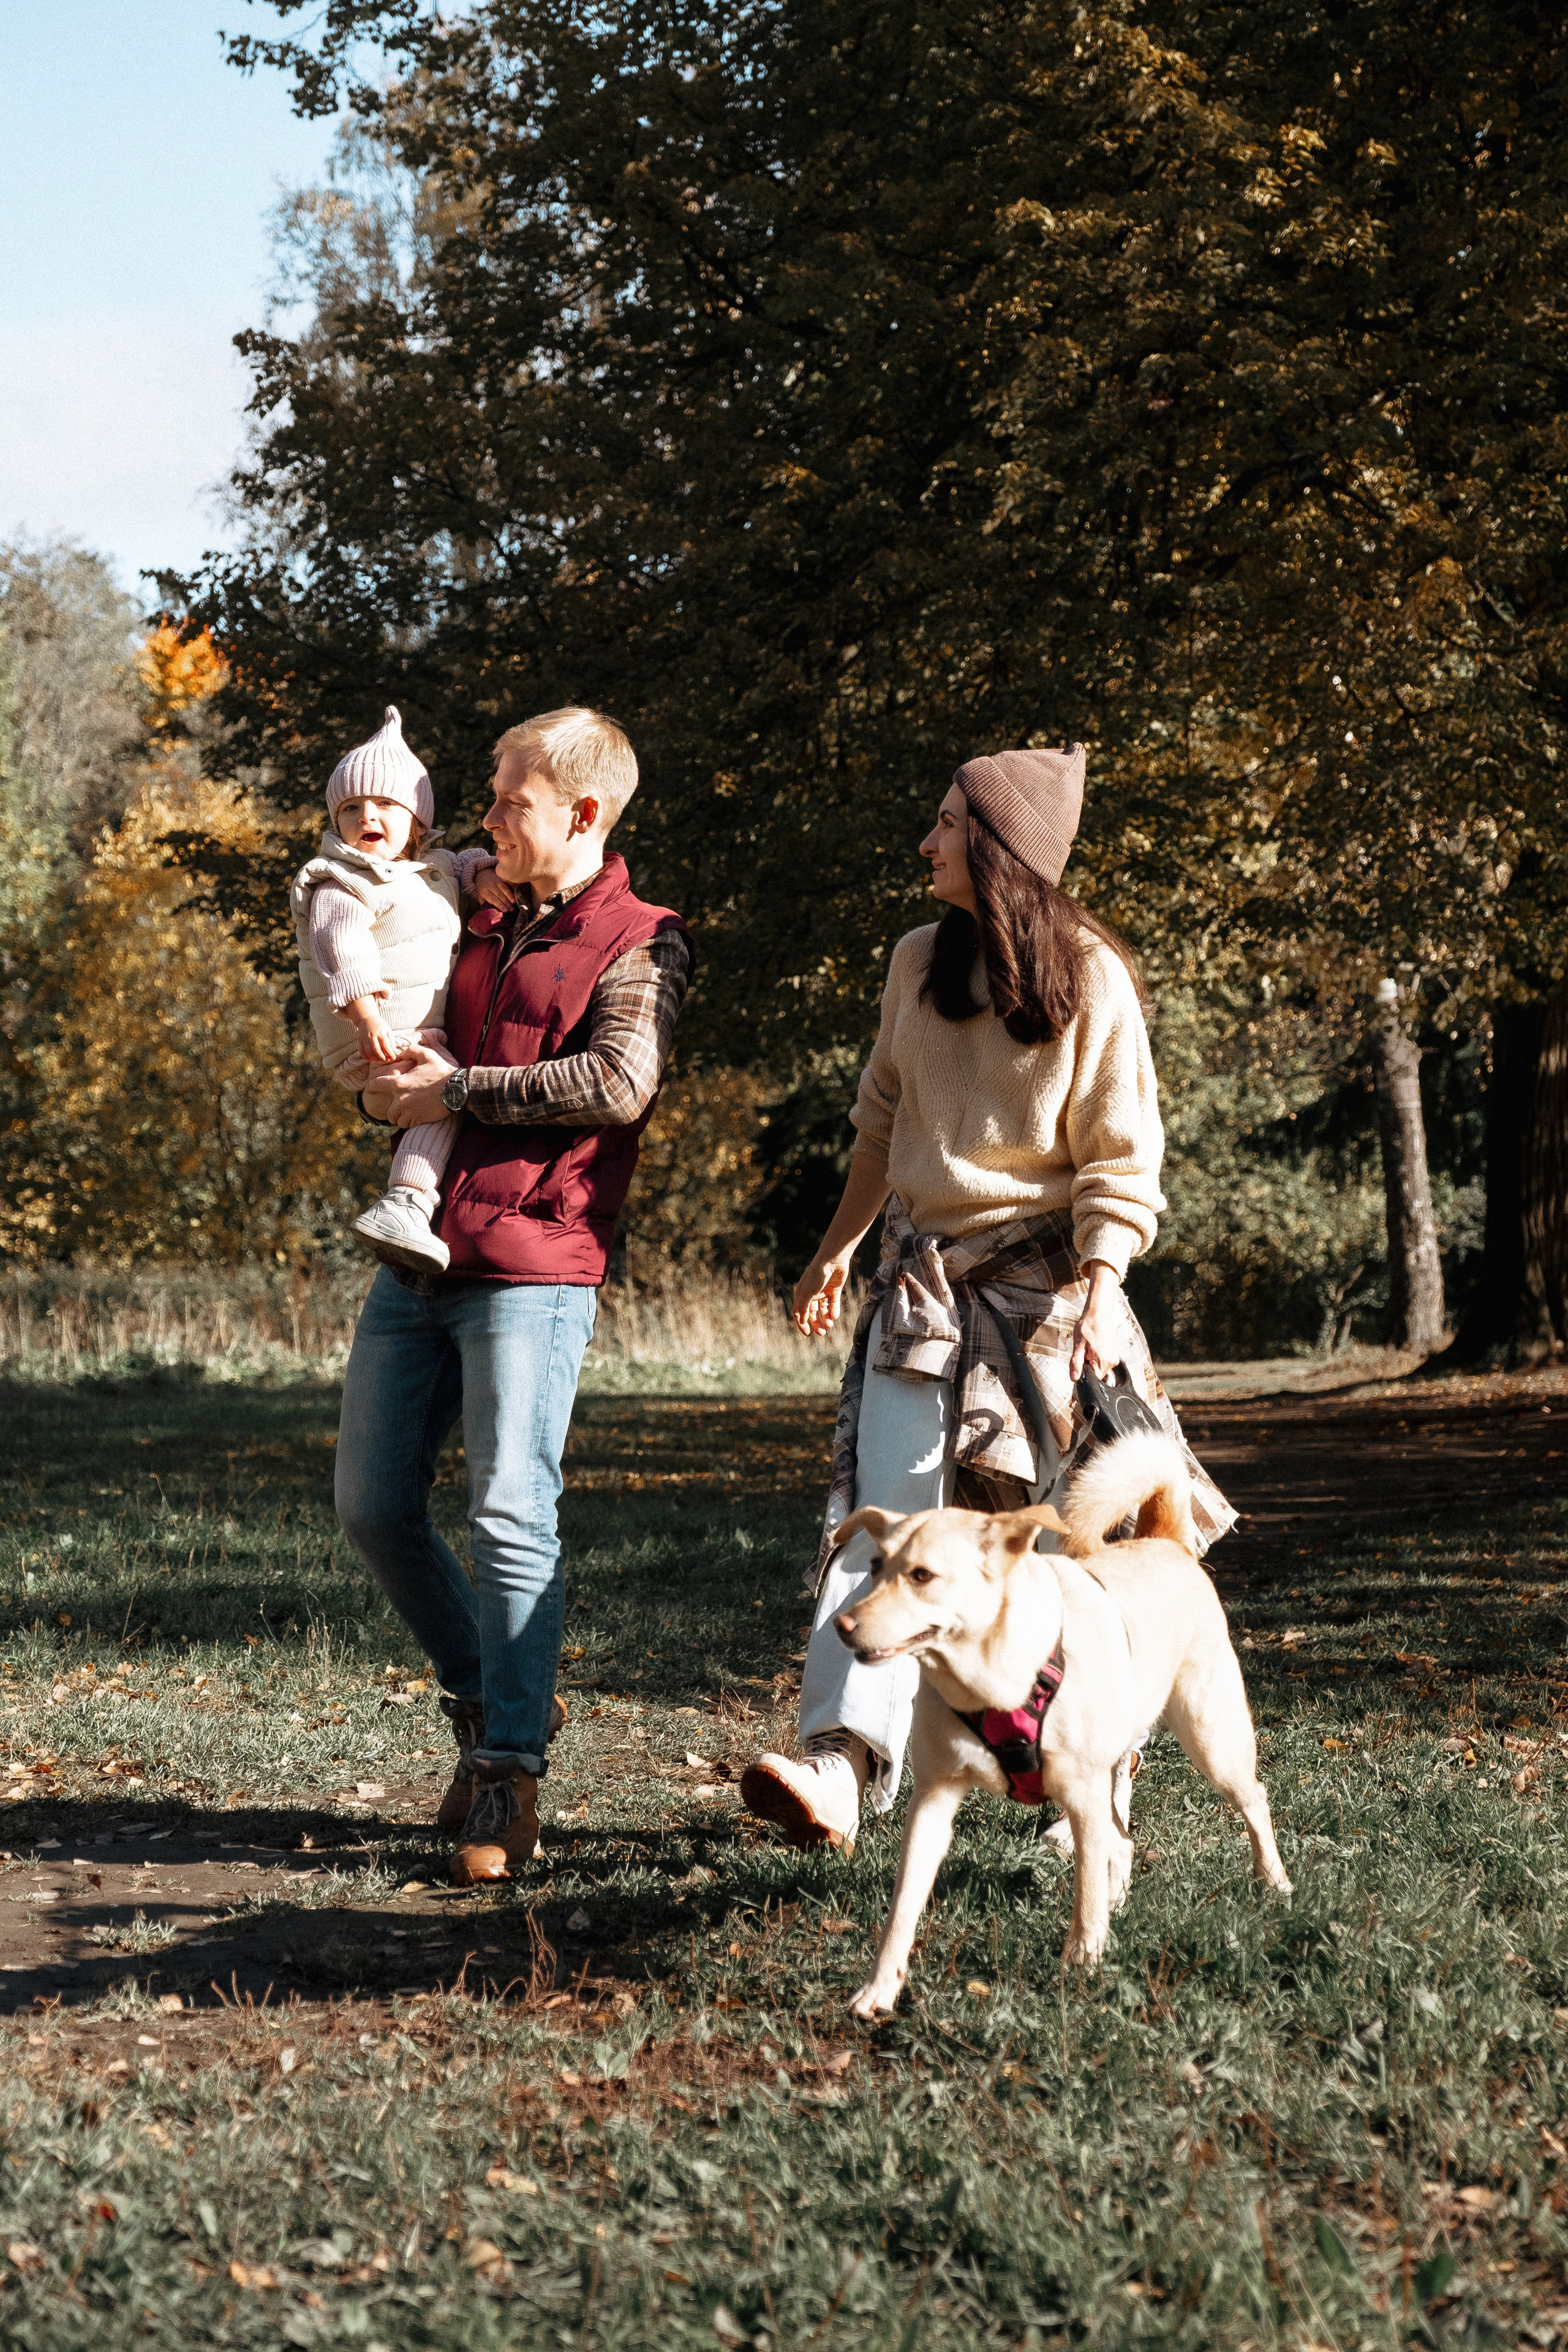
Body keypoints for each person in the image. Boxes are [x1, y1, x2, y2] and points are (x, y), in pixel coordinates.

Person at [740, 744, 1234, 1855]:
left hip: (1053, 1292)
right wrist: (833, 1252)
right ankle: (840, 1761)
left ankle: (1095, 1776)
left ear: (1002, 847)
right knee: (881, 1521)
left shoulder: (1093, 978)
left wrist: (1105, 1287)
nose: (926, 843)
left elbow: (1121, 1159)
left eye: (948, 824)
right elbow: (880, 1123)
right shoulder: (916, 959)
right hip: (919, 1290)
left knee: (1065, 1535)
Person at [333, 707, 690, 1883]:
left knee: (506, 1512)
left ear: (585, 815)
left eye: (509, 800)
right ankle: (484, 1701)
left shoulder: (640, 938)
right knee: (374, 1506)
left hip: (535, 1264)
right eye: (488, 795)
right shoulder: (472, 910)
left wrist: (462, 1089)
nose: (488, 816)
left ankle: (509, 1773)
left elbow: (618, 1081)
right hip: (421, 1253)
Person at [291, 705, 512, 1273]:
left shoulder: (430, 866)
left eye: (386, 804)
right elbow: (340, 946)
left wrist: (482, 874)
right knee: (441, 1098)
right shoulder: (342, 880)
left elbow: (460, 864)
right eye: (351, 808)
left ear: (417, 821)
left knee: (440, 1097)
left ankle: (409, 1206)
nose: (368, 815)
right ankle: (405, 1203)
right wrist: (368, 1018)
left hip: (407, 1027)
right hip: (375, 1030)